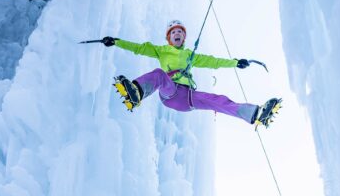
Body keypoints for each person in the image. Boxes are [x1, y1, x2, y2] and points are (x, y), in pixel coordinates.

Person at [101, 20, 282, 127]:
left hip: (187, 97)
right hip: (169, 92)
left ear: (184, 37)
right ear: (168, 38)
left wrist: (235, 62)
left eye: (180, 31)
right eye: (174, 32)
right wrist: (116, 42)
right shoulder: (161, 50)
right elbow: (138, 48)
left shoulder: (190, 55)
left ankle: (256, 114)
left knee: (217, 100)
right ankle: (137, 92)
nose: (177, 33)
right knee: (159, 75)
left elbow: (213, 61)